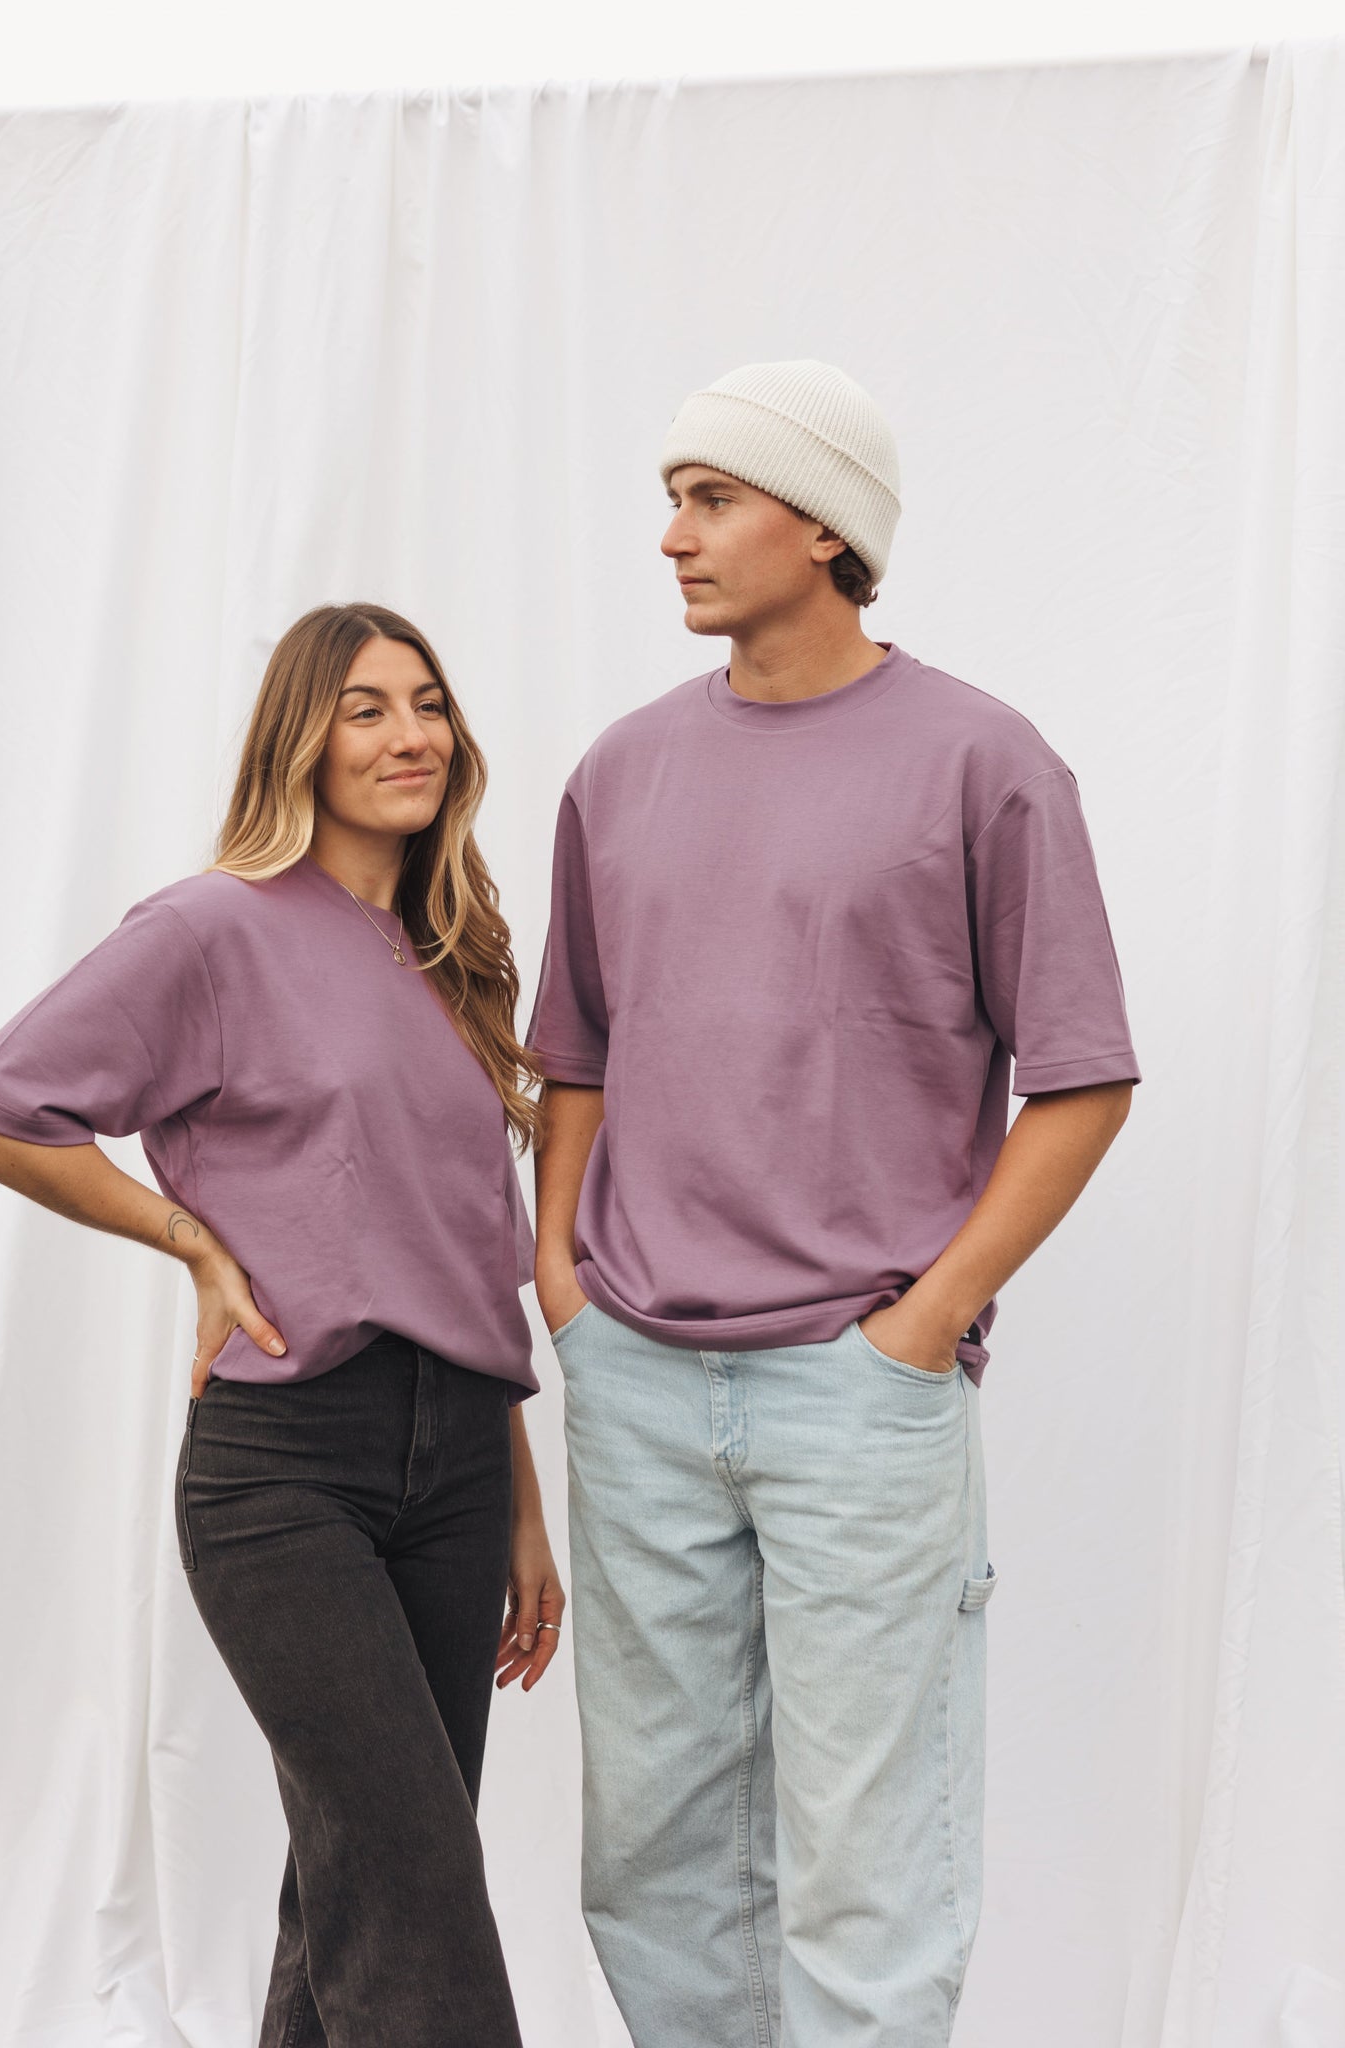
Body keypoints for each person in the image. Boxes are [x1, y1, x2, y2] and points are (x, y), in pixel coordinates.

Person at [528, 359, 1140, 2046]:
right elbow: (572, 1057)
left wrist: (922, 1325)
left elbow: (1081, 1076)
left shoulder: (982, 762)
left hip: (859, 1392)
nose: (671, 536)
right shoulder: (620, 769)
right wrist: (560, 1282)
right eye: (671, 499)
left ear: (822, 527)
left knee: (868, 1863)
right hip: (635, 1374)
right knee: (651, 1855)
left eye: (710, 499)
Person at [0, 602, 562, 2048]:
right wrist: (190, 1240)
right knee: (414, 1879)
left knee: (361, 1881)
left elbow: (464, 1257)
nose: (410, 734)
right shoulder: (212, 927)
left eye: (428, 704)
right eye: (364, 708)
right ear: (300, 739)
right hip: (287, 1464)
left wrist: (522, 1504)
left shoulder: (452, 957)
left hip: (461, 1463)